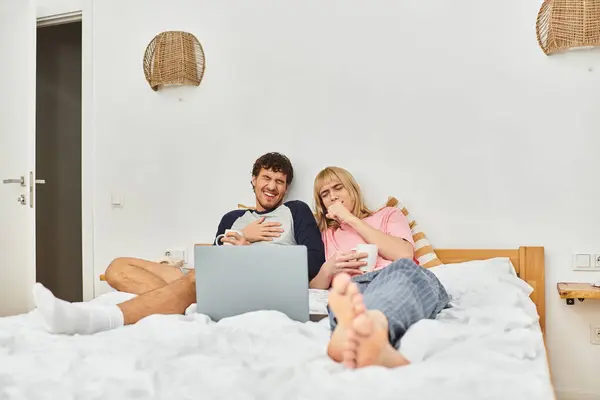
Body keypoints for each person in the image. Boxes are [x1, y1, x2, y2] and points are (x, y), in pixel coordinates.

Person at [32, 152, 325, 335]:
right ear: (253, 180)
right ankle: (185, 304)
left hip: (261, 284)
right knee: (116, 268)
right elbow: (213, 261)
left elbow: (313, 262)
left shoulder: (296, 210)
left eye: (279, 181)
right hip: (215, 280)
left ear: (287, 187)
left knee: (198, 279)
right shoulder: (233, 217)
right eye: (266, 178)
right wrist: (245, 237)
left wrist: (255, 256)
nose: (272, 186)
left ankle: (99, 320)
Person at [310, 166, 450, 369]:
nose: (332, 196)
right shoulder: (325, 234)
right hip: (353, 286)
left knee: (403, 273)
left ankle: (358, 331)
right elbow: (314, 287)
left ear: (354, 189)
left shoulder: (388, 215)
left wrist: (350, 219)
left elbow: (404, 254)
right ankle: (369, 337)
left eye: (338, 188)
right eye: (325, 194)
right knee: (342, 294)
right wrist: (328, 269)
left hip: (397, 276)